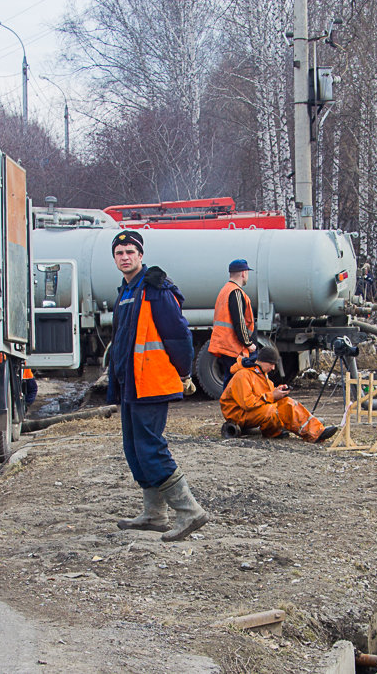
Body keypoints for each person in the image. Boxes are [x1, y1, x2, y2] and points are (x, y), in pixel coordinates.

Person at [107, 230, 209, 542]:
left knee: (150, 448)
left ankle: (189, 510)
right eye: (120, 252)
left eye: (130, 251)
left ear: (140, 255)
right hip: (131, 384)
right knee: (134, 450)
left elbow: (179, 336)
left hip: (151, 383)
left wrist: (183, 373)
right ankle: (154, 513)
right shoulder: (125, 292)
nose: (125, 257)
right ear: (115, 258)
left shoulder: (156, 289)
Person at [220, 347, 339, 443]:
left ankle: (317, 432)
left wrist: (278, 391)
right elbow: (247, 403)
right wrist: (272, 395)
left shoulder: (261, 374)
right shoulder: (242, 375)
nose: (273, 368)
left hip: (253, 410)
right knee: (271, 410)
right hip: (238, 415)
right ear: (263, 361)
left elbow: (265, 396)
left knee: (288, 403)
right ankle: (273, 432)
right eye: (271, 364)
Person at [207, 259, 258, 383]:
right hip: (234, 347)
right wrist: (248, 343)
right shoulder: (235, 292)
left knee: (230, 382)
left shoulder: (225, 290)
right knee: (236, 383)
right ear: (243, 273)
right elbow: (239, 322)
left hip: (227, 345)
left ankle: (228, 402)